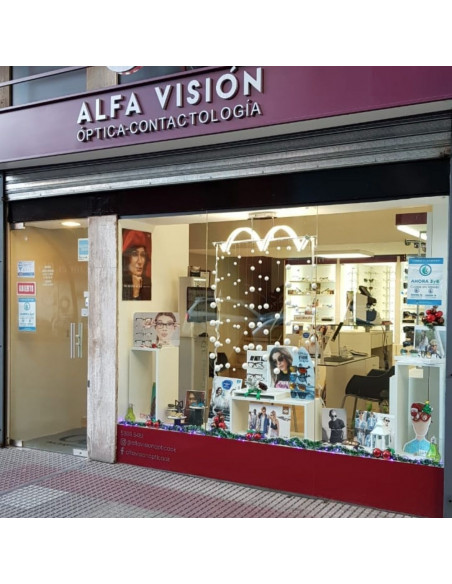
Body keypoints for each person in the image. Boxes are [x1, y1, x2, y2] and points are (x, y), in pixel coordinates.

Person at [122, 229, 152, 300]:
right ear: (127, 258)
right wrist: (135, 292)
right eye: (135, 254)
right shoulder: (121, 283)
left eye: (143, 255)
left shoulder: (147, 284)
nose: (140, 261)